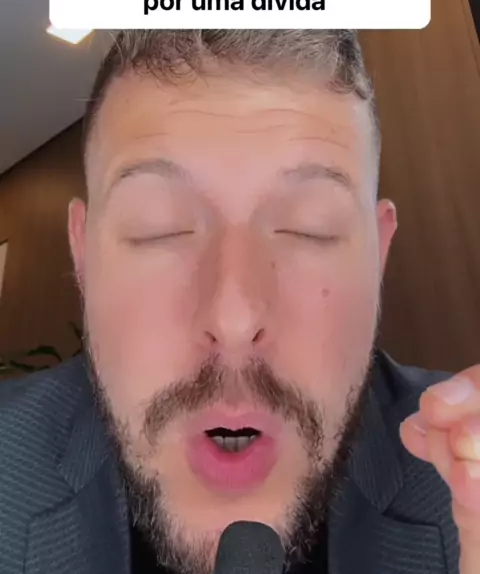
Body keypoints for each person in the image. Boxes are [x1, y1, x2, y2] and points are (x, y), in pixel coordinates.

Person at [1, 29, 479, 574]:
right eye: (159, 227)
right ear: (83, 255)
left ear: (379, 255)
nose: (234, 317)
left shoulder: (459, 480)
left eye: (309, 228)